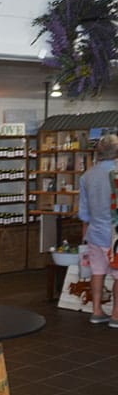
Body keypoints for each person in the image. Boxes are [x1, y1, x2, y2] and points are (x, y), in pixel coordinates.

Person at [78, 133, 118, 326]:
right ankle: (116, 315)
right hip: (115, 234)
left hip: (94, 232)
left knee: (98, 271)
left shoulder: (87, 176)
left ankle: (96, 311)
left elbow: (84, 212)